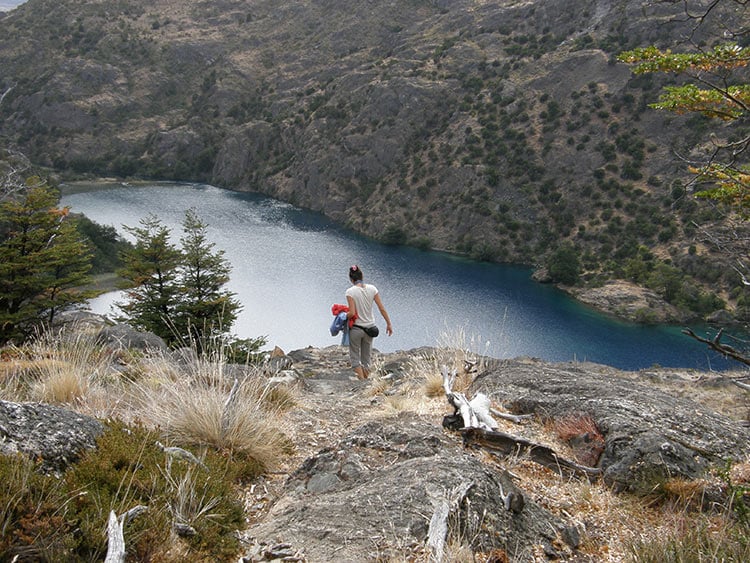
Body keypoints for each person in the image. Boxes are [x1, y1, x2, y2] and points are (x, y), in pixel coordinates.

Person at [345, 264, 393, 380]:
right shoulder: (372, 289)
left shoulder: (350, 292)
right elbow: (381, 308)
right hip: (370, 329)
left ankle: (362, 383)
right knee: (366, 359)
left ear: (351, 279)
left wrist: (343, 316)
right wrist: (388, 323)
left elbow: (351, 313)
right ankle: (366, 381)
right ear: (362, 276)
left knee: (355, 358)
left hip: (356, 329)